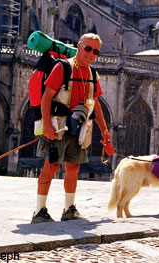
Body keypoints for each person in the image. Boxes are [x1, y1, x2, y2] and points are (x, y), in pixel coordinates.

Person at [32, 33, 112, 223]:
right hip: (58, 125)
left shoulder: (93, 73)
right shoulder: (63, 67)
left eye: (96, 51)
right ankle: (39, 211)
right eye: (88, 49)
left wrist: (104, 129)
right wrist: (47, 125)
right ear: (79, 46)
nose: (92, 54)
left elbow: (97, 103)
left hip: (81, 128)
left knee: (73, 168)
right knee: (50, 167)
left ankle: (69, 209)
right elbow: (46, 97)